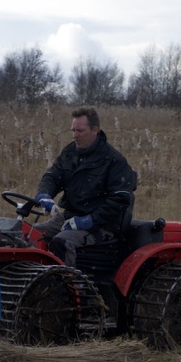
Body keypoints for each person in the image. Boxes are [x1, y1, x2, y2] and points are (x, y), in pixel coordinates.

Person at [33, 107, 136, 267]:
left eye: (80, 131)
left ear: (95, 130)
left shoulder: (114, 161)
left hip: (101, 226)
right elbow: (53, 176)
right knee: (30, 234)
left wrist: (89, 220)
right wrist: (44, 195)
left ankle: (66, 286)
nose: (75, 135)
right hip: (70, 216)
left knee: (62, 241)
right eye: (73, 130)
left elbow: (120, 200)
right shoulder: (70, 153)